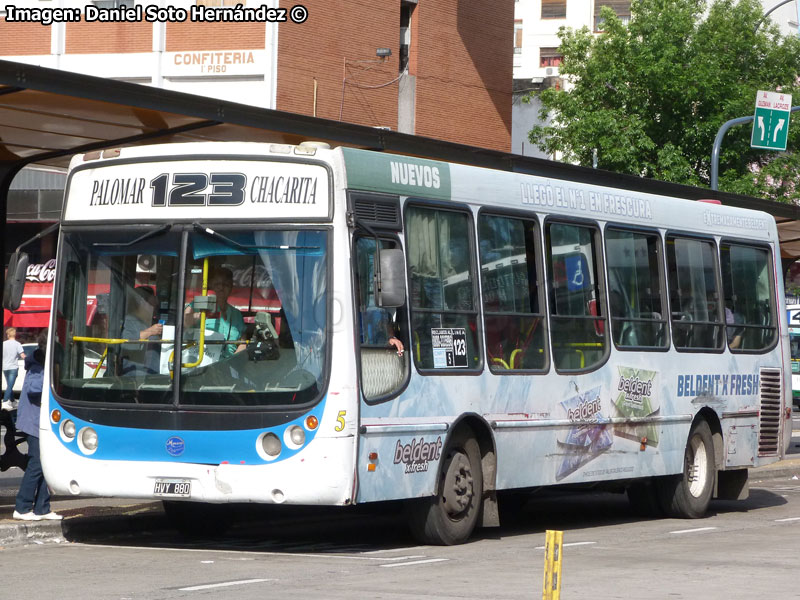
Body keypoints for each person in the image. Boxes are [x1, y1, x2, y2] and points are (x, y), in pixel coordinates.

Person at [13, 330, 61, 521]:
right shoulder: (38, 365)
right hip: (34, 422)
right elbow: (34, 389)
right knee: (37, 464)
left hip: (39, 421)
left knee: (44, 465)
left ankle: (43, 508)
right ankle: (22, 507)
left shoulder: (41, 362)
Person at [185, 267, 246, 359]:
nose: (221, 288)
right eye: (217, 284)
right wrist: (199, 315)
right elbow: (183, 322)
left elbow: (243, 342)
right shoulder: (199, 304)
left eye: (226, 284)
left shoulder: (236, 314)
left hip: (229, 363)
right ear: (210, 285)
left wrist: (233, 361)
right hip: (202, 362)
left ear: (231, 287)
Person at [120, 286, 163, 375]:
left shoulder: (152, 321)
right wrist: (150, 332)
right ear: (141, 303)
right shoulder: (129, 320)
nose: (154, 308)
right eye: (152, 305)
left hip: (155, 372)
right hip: (136, 372)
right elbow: (125, 342)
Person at [2, 327, 26, 410]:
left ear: (8, 335)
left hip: (5, 367)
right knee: (10, 385)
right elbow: (22, 355)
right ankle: (5, 402)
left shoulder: (3, 344)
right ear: (15, 335)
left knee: (10, 385)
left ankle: (12, 401)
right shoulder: (17, 344)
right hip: (13, 367)